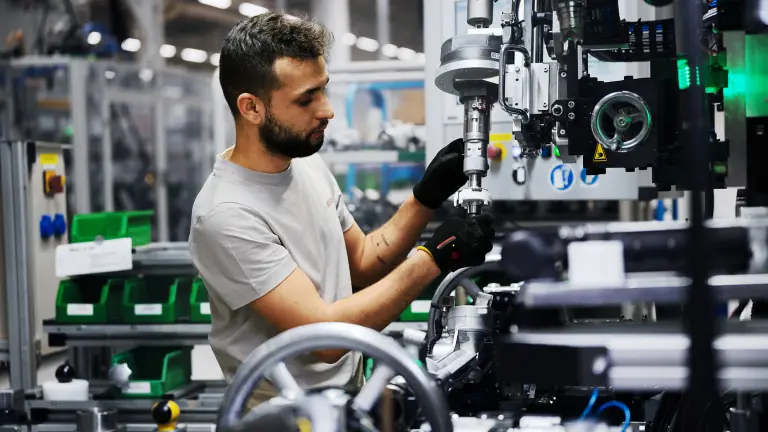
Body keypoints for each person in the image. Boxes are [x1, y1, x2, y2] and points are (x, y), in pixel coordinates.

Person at [188, 12, 495, 405]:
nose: (327, 110)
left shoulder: (305, 165)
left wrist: (424, 198)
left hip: (344, 398)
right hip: (283, 411)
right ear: (251, 108)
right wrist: (433, 259)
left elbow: (363, 261)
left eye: (323, 90)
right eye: (306, 99)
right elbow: (324, 337)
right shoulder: (226, 214)